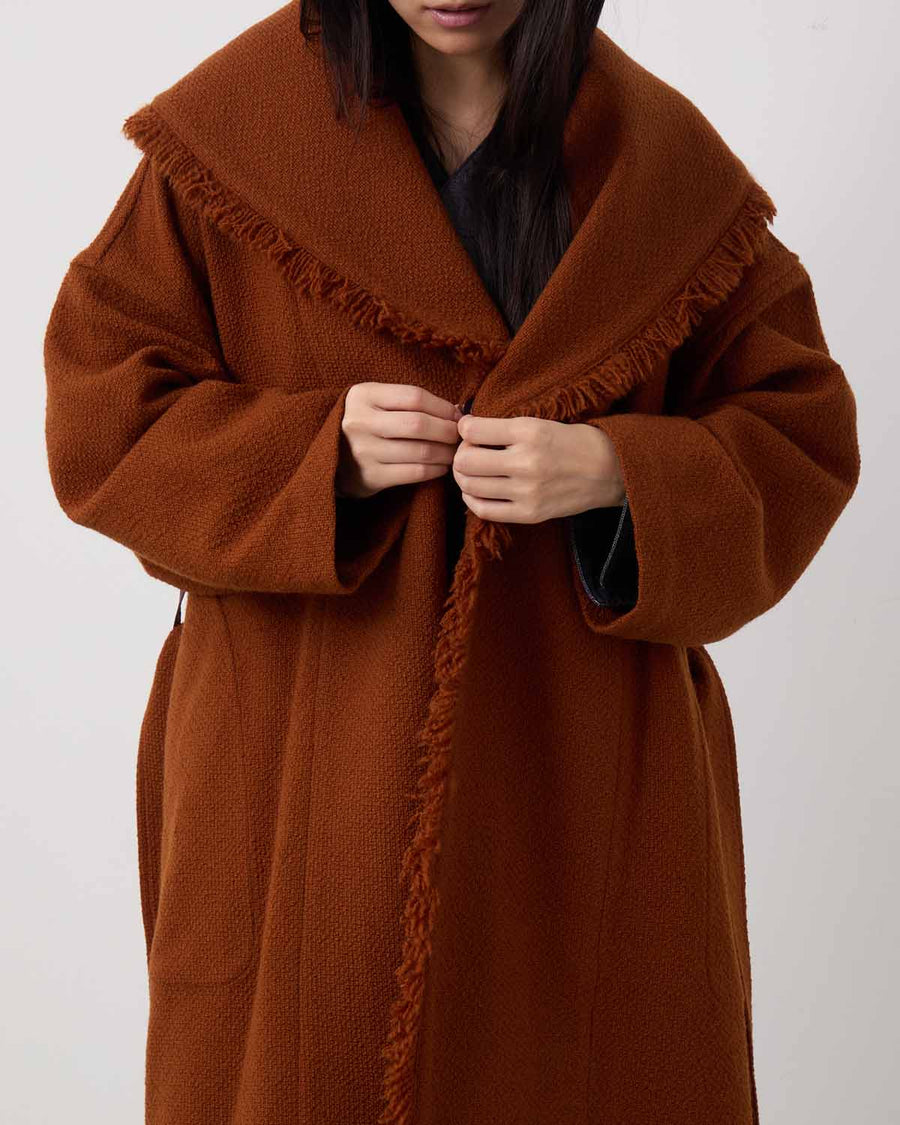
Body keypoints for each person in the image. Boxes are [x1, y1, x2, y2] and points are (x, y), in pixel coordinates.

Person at [42, 2, 860, 1123]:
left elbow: (799, 435)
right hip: (302, 763)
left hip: (582, 769)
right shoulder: (232, 140)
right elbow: (103, 414)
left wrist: (619, 470)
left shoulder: (663, 172)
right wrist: (316, 455)